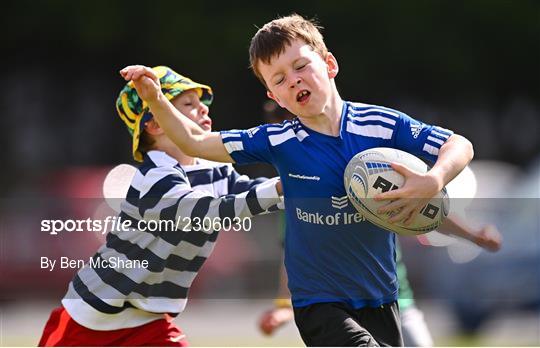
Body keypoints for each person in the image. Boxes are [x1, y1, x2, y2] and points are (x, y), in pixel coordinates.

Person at [120, 13, 475, 346]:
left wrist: (434, 179)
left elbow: (458, 144)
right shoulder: (278, 140)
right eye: (279, 79)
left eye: (301, 66)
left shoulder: (381, 125)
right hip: (318, 304)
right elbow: (193, 142)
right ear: (275, 97)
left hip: (381, 297)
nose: (294, 80)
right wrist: (154, 99)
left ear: (330, 64)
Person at [38, 66, 283, 347]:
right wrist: (278, 188)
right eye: (188, 104)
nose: (203, 109)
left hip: (150, 322)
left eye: (202, 103)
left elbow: (253, 192)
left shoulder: (214, 170)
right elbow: (207, 211)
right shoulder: (153, 178)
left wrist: (304, 183)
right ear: (154, 124)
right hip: (91, 319)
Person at [258, 215, 502, 346]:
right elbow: (293, 254)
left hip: (395, 305)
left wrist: (472, 235)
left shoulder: (372, 170)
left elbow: (427, 210)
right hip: (339, 311)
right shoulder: (300, 193)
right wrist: (285, 305)